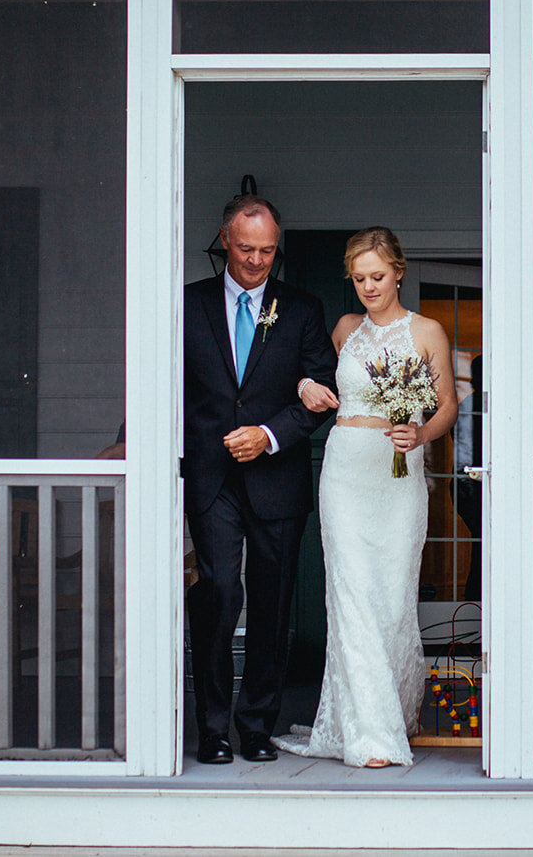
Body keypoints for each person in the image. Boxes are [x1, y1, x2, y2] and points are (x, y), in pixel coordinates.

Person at [275, 226, 457, 768]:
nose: (368, 287)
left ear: (398, 271)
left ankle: (395, 711)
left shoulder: (427, 331)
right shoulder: (345, 329)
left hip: (398, 474)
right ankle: (370, 734)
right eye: (358, 279)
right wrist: (306, 387)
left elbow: (445, 404)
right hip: (346, 469)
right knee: (351, 596)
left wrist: (419, 434)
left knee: (391, 598)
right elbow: (304, 377)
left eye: (377, 276)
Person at [182, 193, 338, 765]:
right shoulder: (187, 305)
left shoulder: (301, 309)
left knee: (272, 608)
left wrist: (269, 435)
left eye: (267, 251)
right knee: (220, 593)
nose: (255, 261)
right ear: (225, 240)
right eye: (246, 249)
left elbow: (321, 391)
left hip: (277, 478)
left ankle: (255, 726)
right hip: (211, 478)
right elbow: (160, 381)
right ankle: (214, 727)